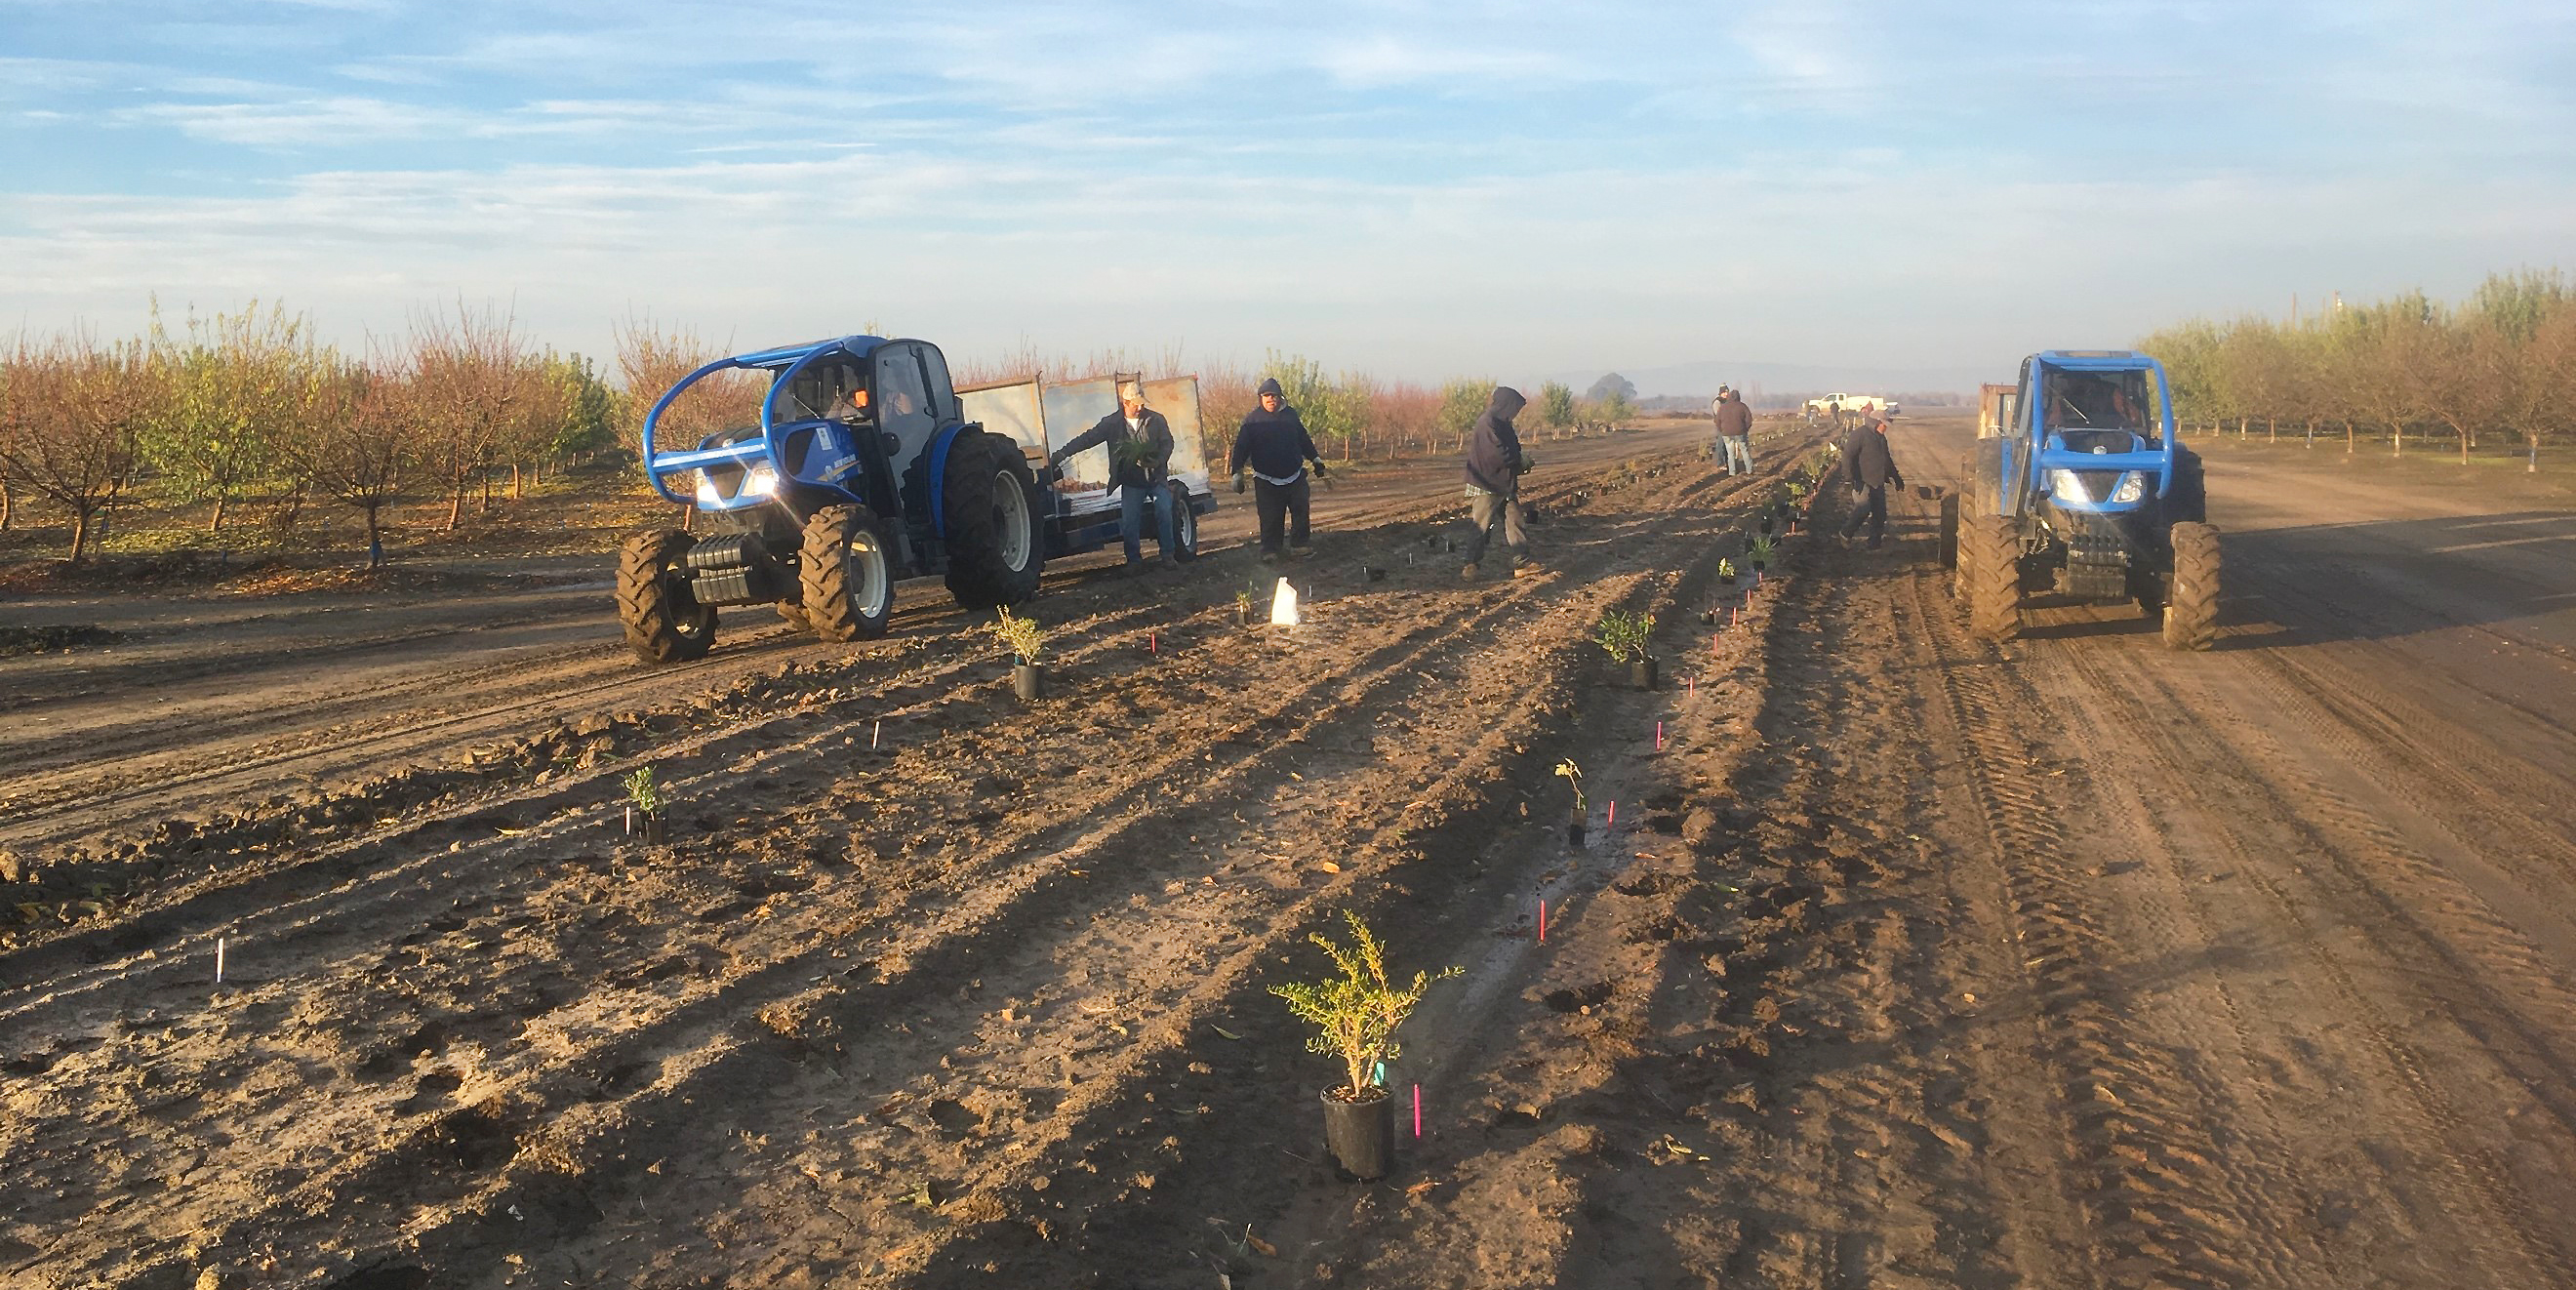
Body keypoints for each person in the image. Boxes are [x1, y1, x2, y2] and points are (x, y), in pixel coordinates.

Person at [1052, 381, 1179, 569]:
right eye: (1136, 404)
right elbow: (1088, 438)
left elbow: (1167, 443)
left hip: (1156, 478)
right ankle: (1134, 561)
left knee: (1164, 512)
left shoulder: (1156, 420)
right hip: (1131, 481)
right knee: (1130, 522)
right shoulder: (1111, 424)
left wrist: (1158, 461)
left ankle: (1168, 555)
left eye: (1142, 404)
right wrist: (1063, 453)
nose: (1140, 408)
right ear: (1125, 403)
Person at [1228, 378, 1327, 561]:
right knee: (1270, 516)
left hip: (1294, 475)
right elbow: (1241, 448)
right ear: (1260, 398)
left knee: (1300, 510)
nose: (1271, 399)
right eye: (1266, 396)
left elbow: (1303, 438)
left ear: (1280, 398)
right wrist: (1237, 473)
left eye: (1274, 396)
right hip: (1266, 479)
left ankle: (1299, 545)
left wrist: (1316, 459)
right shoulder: (1252, 421)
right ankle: (1270, 550)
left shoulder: (1291, 416)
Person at [1461, 385, 1534, 580]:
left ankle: (1522, 563)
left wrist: (1519, 460)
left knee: (1515, 521)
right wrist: (1519, 461)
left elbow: (1512, 448)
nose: (1516, 413)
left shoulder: (1503, 423)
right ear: (1506, 405)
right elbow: (1497, 455)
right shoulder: (1488, 423)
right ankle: (1470, 565)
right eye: (1515, 408)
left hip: (1505, 483)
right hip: (1487, 483)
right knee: (1481, 526)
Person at [1838, 409, 1907, 549]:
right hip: (1862, 481)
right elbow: (1847, 456)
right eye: (1884, 424)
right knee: (1863, 509)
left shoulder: (1881, 438)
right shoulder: (1859, 435)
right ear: (1876, 422)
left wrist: (1896, 477)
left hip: (1877, 481)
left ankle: (1874, 544)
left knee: (1880, 514)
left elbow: (1887, 460)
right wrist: (1850, 478)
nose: (1886, 428)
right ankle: (1845, 533)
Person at [1713, 385, 1754, 477]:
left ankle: (1732, 472)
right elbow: (1749, 419)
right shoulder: (1742, 406)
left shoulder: (1723, 407)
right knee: (1744, 451)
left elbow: (1717, 421)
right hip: (1740, 433)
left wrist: (1722, 430)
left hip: (1726, 434)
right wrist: (1745, 429)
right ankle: (1749, 470)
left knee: (1730, 453)